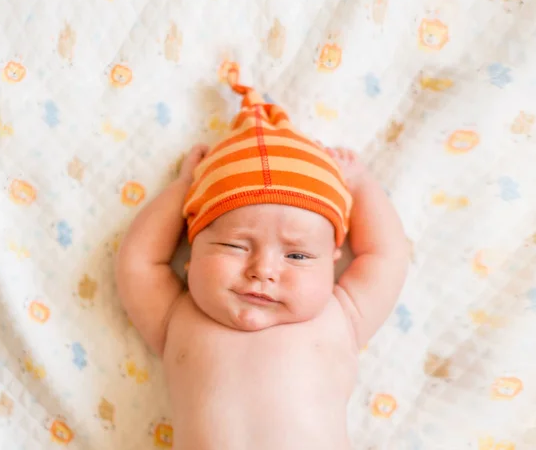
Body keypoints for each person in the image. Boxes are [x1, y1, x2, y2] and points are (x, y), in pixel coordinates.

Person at [116, 65, 409, 449]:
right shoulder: (177, 319)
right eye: (235, 246)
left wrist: (360, 185)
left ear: (333, 262)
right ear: (191, 247)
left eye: (299, 256)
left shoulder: (342, 317)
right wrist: (185, 187)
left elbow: (385, 256)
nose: (263, 271)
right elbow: (139, 261)